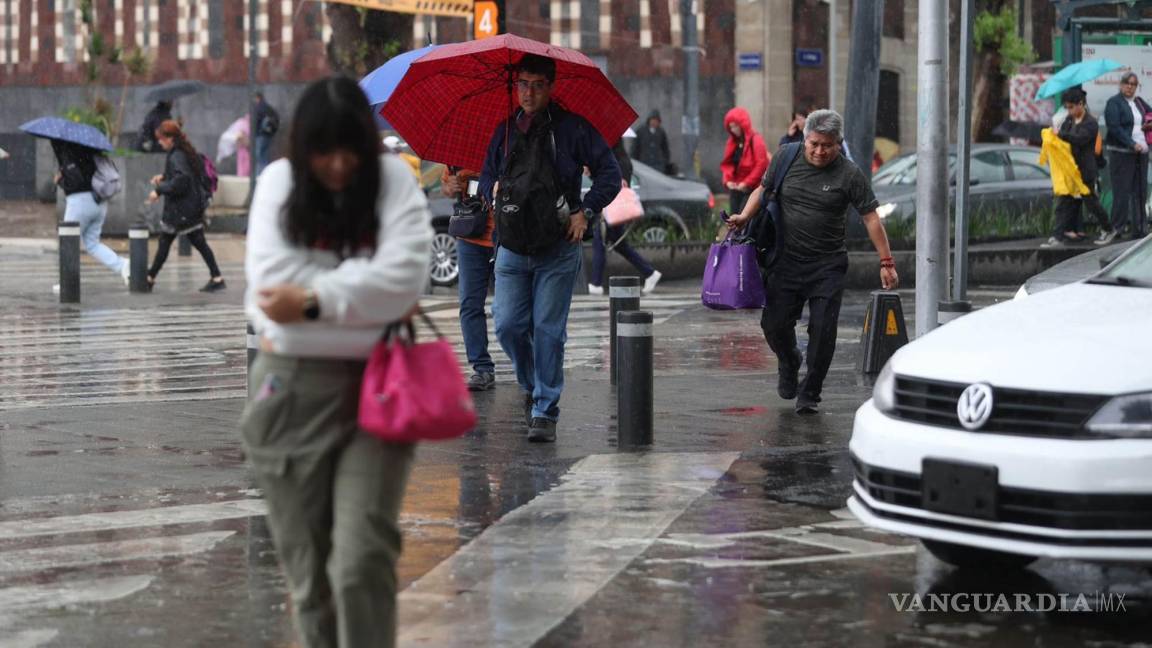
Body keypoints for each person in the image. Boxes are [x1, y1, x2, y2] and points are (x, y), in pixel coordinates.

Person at [241, 76, 433, 648]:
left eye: (350, 149)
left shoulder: (394, 181)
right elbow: (268, 292)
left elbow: (404, 281)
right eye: (324, 151)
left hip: (378, 392)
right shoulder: (278, 182)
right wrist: (360, 293)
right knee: (310, 581)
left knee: (360, 562)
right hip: (289, 392)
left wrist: (314, 299)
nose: (339, 164)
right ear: (304, 148)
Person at [478, 53, 622, 443]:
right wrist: (490, 195)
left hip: (558, 247)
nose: (528, 92)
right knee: (507, 326)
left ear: (550, 87)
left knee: (547, 330)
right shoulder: (505, 131)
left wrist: (586, 212)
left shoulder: (573, 129)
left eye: (537, 85)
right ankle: (532, 385)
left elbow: (611, 175)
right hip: (511, 247)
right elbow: (485, 179)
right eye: (522, 84)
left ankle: (545, 409)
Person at [727, 109, 898, 414]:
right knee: (774, 324)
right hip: (785, 260)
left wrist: (886, 262)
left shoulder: (849, 174)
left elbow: (871, 218)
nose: (820, 151)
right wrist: (743, 216)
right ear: (805, 139)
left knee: (823, 330)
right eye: (814, 144)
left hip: (827, 264)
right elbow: (763, 190)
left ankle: (810, 392)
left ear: (838, 143)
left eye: (827, 145)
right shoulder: (785, 158)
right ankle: (789, 359)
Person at [146, 120, 226, 292]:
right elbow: (183, 174)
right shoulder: (183, 151)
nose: (159, 142)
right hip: (189, 208)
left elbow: (182, 180)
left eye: (161, 139)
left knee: (166, 242)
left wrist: (159, 190)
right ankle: (217, 277)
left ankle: (150, 278)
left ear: (170, 138)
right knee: (196, 242)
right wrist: (164, 176)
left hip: (181, 210)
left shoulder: (177, 155)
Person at [442, 166, 498, 391]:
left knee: (510, 310)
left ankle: (529, 365)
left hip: (507, 236)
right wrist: (449, 187)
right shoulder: (457, 152)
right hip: (470, 236)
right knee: (469, 304)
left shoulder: (509, 143)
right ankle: (482, 368)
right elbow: (446, 186)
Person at [51, 140, 130, 288]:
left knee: (68, 241)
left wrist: (60, 179)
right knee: (92, 243)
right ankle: (123, 265)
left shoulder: (69, 153)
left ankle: (67, 284)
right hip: (99, 202)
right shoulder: (91, 150)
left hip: (80, 202)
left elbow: (76, 182)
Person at [589, 140, 662, 295]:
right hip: (614, 210)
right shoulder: (620, 159)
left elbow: (610, 184)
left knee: (600, 240)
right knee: (619, 245)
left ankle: (595, 283)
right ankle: (649, 273)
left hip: (612, 209)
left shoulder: (616, 161)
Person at [1045, 88, 1115, 247]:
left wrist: (1060, 135)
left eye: (1071, 107)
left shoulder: (1090, 123)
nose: (1069, 110)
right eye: (1067, 107)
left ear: (1081, 104)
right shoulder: (1069, 120)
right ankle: (1058, 236)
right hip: (1071, 169)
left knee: (1091, 202)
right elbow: (1063, 136)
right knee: (1065, 202)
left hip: (1085, 170)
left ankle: (1108, 229)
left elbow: (1079, 139)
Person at [1104, 72, 1150, 239]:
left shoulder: (1139, 102)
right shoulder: (1114, 103)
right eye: (1127, 83)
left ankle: (1140, 229)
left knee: (1140, 192)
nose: (1130, 86)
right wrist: (1132, 144)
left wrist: (1148, 126)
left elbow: (1150, 115)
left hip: (1141, 154)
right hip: (1122, 154)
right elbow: (1114, 128)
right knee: (1122, 192)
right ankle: (1117, 228)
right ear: (1121, 84)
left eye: (1133, 84)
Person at [721, 107, 770, 216]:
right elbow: (727, 164)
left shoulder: (756, 140)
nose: (733, 129)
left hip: (752, 190)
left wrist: (746, 183)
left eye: (735, 126)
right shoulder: (732, 142)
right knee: (733, 219)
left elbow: (761, 165)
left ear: (742, 124)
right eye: (731, 127)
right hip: (736, 189)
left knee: (745, 218)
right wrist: (727, 180)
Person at [632, 109, 671, 175]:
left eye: (656, 121)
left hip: (658, 165)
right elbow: (635, 148)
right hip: (644, 163)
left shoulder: (661, 132)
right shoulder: (641, 131)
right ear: (649, 120)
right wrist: (635, 162)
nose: (654, 122)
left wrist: (664, 162)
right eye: (653, 120)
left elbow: (665, 149)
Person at [252, 91, 280, 177]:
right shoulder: (269, 108)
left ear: (257, 98)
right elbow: (277, 119)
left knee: (259, 157)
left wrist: (254, 134)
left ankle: (259, 175)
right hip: (269, 136)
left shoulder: (258, 107)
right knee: (265, 156)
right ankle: (266, 174)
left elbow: (256, 121)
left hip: (260, 136)